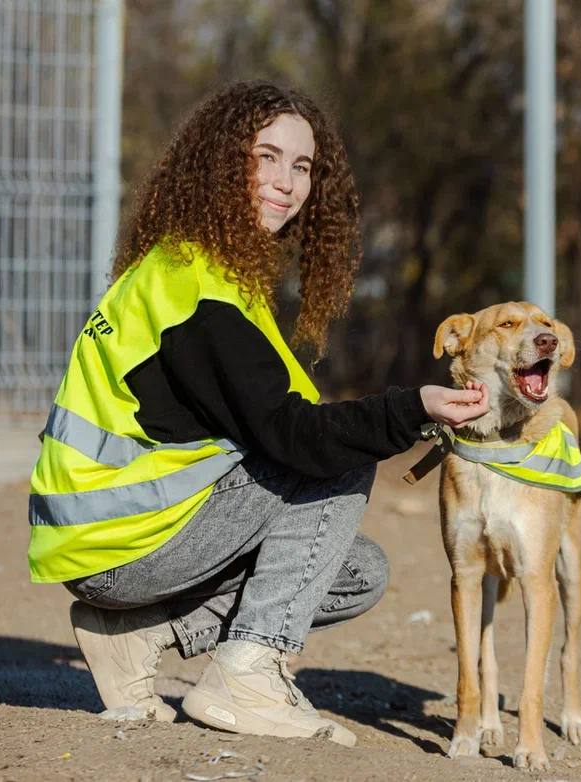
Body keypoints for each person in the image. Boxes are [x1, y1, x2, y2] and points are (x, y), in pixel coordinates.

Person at [26, 81, 489, 744]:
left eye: (301, 166)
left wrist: (412, 413)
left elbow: (285, 418)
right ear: (220, 162)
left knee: (356, 571)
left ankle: (137, 636)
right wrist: (412, 407)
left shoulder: (205, 273)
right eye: (266, 157)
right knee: (337, 465)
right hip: (117, 543)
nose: (286, 181)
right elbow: (298, 439)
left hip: (116, 539)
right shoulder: (194, 288)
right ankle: (244, 676)